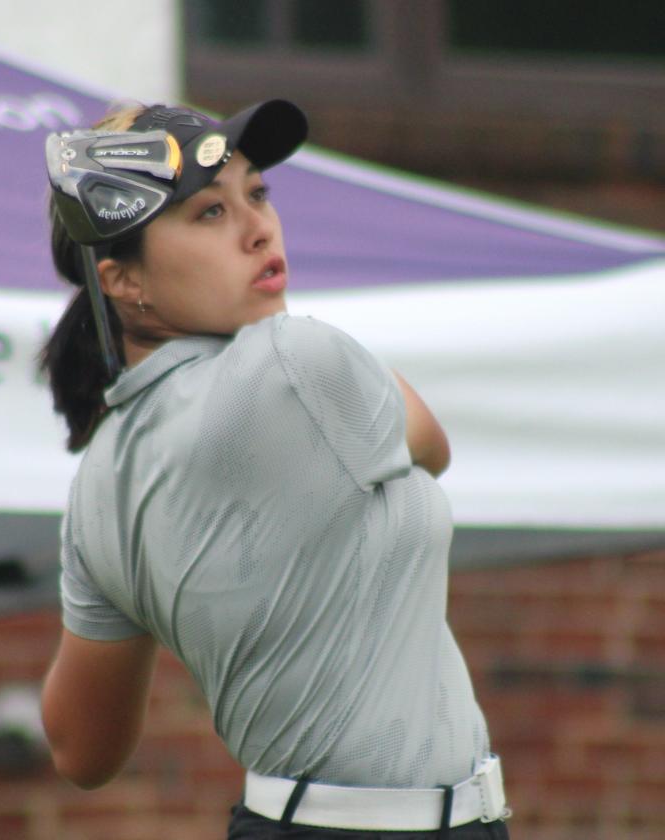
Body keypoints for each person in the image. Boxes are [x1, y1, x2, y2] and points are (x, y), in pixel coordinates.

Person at [39, 99, 511, 839]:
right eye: (207, 214)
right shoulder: (297, 362)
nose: (258, 227)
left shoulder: (98, 476)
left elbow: (80, 749)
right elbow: (433, 444)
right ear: (123, 282)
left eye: (256, 194)